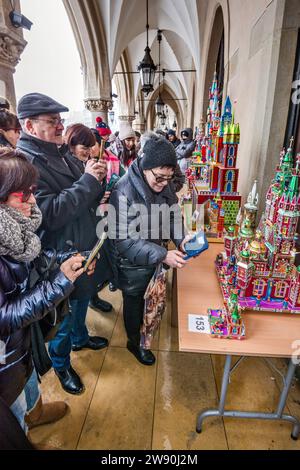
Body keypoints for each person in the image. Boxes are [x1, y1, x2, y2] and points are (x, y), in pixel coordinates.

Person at [16, 93, 109, 395]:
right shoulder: (26, 163)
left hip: (82, 246)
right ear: (29, 125)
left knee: (81, 304)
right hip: (57, 256)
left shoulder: (59, 152)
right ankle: (61, 362)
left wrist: (98, 180)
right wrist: (88, 182)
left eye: (60, 120)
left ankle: (81, 338)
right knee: (63, 318)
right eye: (52, 121)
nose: (59, 126)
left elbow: (84, 196)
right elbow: (49, 214)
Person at [0, 149, 85, 439]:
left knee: (29, 381)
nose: (33, 201)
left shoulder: (14, 228)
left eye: (31, 192)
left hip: (21, 344)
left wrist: (65, 259)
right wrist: (59, 284)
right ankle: (27, 426)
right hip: (4, 355)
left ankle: (35, 413)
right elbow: (5, 316)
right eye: (23, 195)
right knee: (13, 413)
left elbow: (36, 261)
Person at [109, 135, 191, 365]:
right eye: (159, 177)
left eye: (168, 178)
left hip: (153, 255)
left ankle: (144, 335)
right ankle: (134, 343)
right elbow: (125, 241)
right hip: (132, 265)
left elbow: (172, 212)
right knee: (134, 304)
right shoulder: (122, 191)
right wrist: (164, 254)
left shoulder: (162, 183)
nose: (164, 183)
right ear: (145, 166)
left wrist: (182, 238)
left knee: (151, 300)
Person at [64, 123, 114, 311]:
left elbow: (88, 199)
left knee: (90, 276)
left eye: (91, 146)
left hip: (89, 228)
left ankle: (91, 301)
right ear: (71, 145)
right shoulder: (68, 166)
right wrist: (90, 179)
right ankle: (78, 335)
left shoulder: (81, 164)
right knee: (78, 288)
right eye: (84, 147)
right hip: (75, 236)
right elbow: (71, 203)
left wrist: (100, 189)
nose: (89, 152)